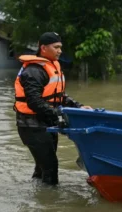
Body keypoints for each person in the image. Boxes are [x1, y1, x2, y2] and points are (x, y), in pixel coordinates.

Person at [14, 32, 92, 185]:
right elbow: (34, 102)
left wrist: (78, 106)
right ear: (43, 48)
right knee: (50, 168)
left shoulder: (51, 66)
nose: (60, 50)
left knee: (43, 167)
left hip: (46, 123)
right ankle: (49, 203)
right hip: (31, 125)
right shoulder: (34, 71)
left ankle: (39, 196)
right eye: (56, 47)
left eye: (60, 47)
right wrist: (60, 113)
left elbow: (59, 96)